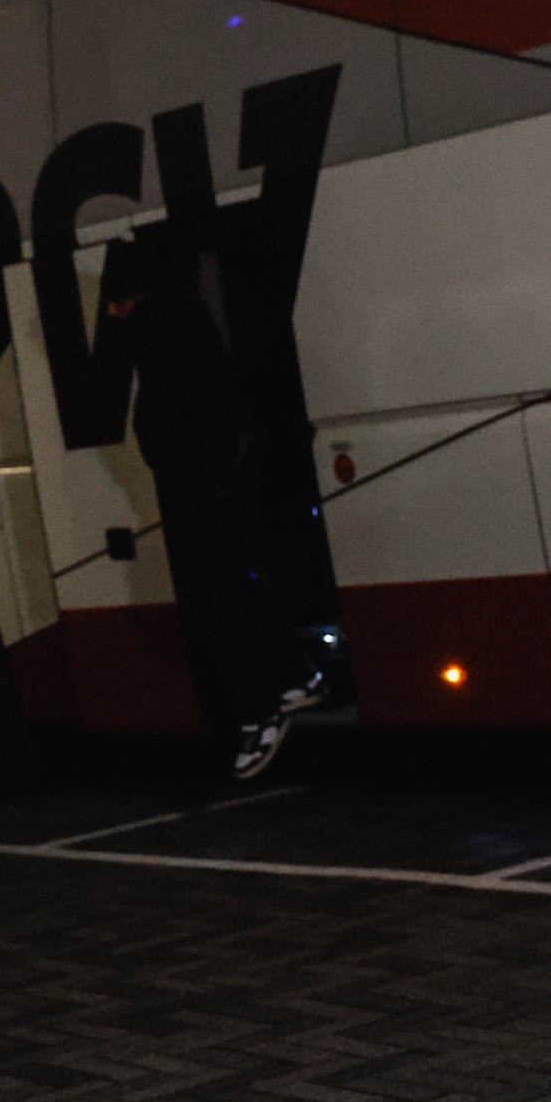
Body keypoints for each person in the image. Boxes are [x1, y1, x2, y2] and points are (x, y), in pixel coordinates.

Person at [111, 228, 323, 779]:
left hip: (198, 492)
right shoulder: (182, 317)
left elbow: (186, 417)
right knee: (239, 592)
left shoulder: (158, 331)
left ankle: (261, 714)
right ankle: (295, 676)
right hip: (215, 487)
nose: (112, 312)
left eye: (116, 300)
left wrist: (202, 478)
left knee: (216, 610)